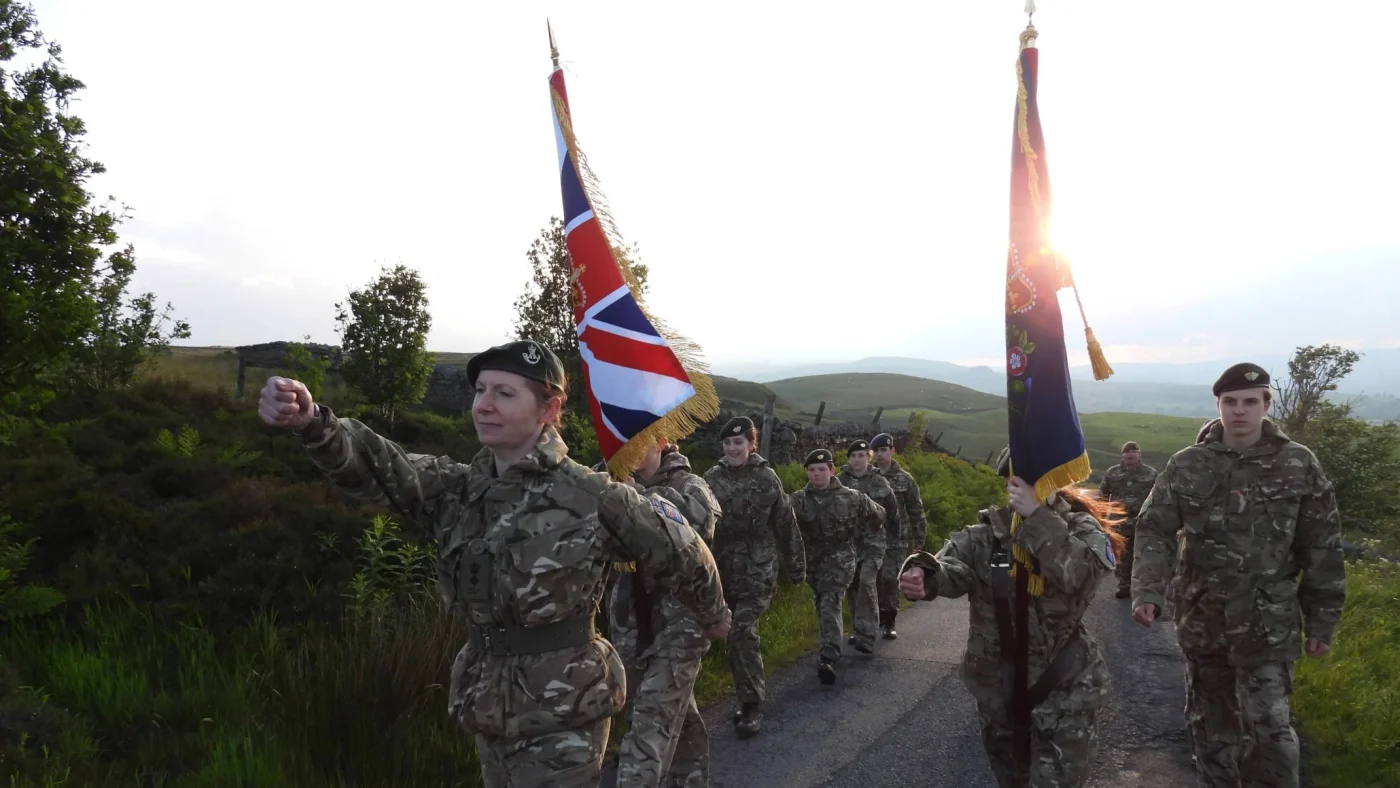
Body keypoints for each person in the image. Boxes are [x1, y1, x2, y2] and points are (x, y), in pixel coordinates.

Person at [257, 340, 731, 788]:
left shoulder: (592, 496)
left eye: (504, 393)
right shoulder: (460, 491)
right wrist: (314, 423)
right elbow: (384, 466)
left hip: (565, 709)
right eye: (480, 391)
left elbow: (684, 550)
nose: (483, 404)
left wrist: (713, 617)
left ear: (548, 410)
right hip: (486, 704)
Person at [1131, 362, 1346, 788]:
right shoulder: (1188, 463)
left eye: (1250, 401)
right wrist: (1147, 591)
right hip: (1202, 617)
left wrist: (1322, 619)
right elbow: (1154, 528)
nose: (1240, 411)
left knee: (1270, 729)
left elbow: (1321, 545)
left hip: (1268, 625)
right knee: (1210, 729)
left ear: (1266, 404)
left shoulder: (1298, 463)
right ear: (1219, 405)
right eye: (1230, 402)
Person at [899, 448, 1124, 787]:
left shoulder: (1079, 527)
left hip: (1064, 690)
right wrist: (922, 573)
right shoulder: (987, 534)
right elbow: (950, 567)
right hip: (998, 691)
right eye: (1019, 480)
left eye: (1037, 480)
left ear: (1056, 480)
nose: (1025, 488)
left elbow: (1082, 575)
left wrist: (1037, 518)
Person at [609, 437, 722, 788]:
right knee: (674, 714)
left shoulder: (690, 487)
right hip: (630, 623)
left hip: (681, 622)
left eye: (638, 438)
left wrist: (633, 500)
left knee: (651, 724)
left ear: (661, 439)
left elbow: (698, 532)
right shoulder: (607, 482)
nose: (629, 446)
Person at [703, 417, 807, 738]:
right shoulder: (710, 479)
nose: (733, 449)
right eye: (728, 444)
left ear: (752, 444)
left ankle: (751, 704)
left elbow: (786, 525)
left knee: (741, 631)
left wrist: (796, 568)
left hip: (759, 570)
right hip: (722, 571)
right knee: (716, 633)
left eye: (739, 443)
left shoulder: (767, 478)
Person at [791, 449, 884, 685]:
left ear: (832, 470)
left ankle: (828, 656)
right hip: (813, 562)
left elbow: (879, 514)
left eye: (822, 469)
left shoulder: (852, 497)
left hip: (841, 559)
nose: (817, 474)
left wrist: (868, 539)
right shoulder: (799, 500)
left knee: (830, 601)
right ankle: (833, 643)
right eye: (812, 470)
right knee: (822, 602)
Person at [837, 439, 898, 653]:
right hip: (850, 543)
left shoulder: (879, 481)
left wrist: (895, 539)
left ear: (868, 457)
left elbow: (892, 510)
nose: (857, 460)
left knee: (866, 581)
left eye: (861, 455)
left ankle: (868, 634)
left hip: (874, 540)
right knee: (853, 585)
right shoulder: (840, 480)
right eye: (853, 456)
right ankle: (858, 628)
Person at [871, 432, 926, 639]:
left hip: (896, 539)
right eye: (876, 451)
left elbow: (916, 510)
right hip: (870, 539)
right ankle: (870, 622)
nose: (880, 455)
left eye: (884, 450)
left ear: (892, 451)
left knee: (890, 579)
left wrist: (919, 540)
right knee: (871, 580)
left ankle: (889, 621)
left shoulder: (904, 479)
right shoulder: (868, 477)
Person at [1098, 440, 1158, 599]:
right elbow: (1103, 496)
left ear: (1139, 455)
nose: (1130, 454)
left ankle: (1141, 588)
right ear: (1122, 455)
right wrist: (1101, 520)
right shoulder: (1112, 473)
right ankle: (1124, 585)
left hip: (1143, 521)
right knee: (1122, 555)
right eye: (1127, 451)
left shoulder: (1151, 473)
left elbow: (1159, 497)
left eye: (1133, 451)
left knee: (1142, 555)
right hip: (1120, 522)